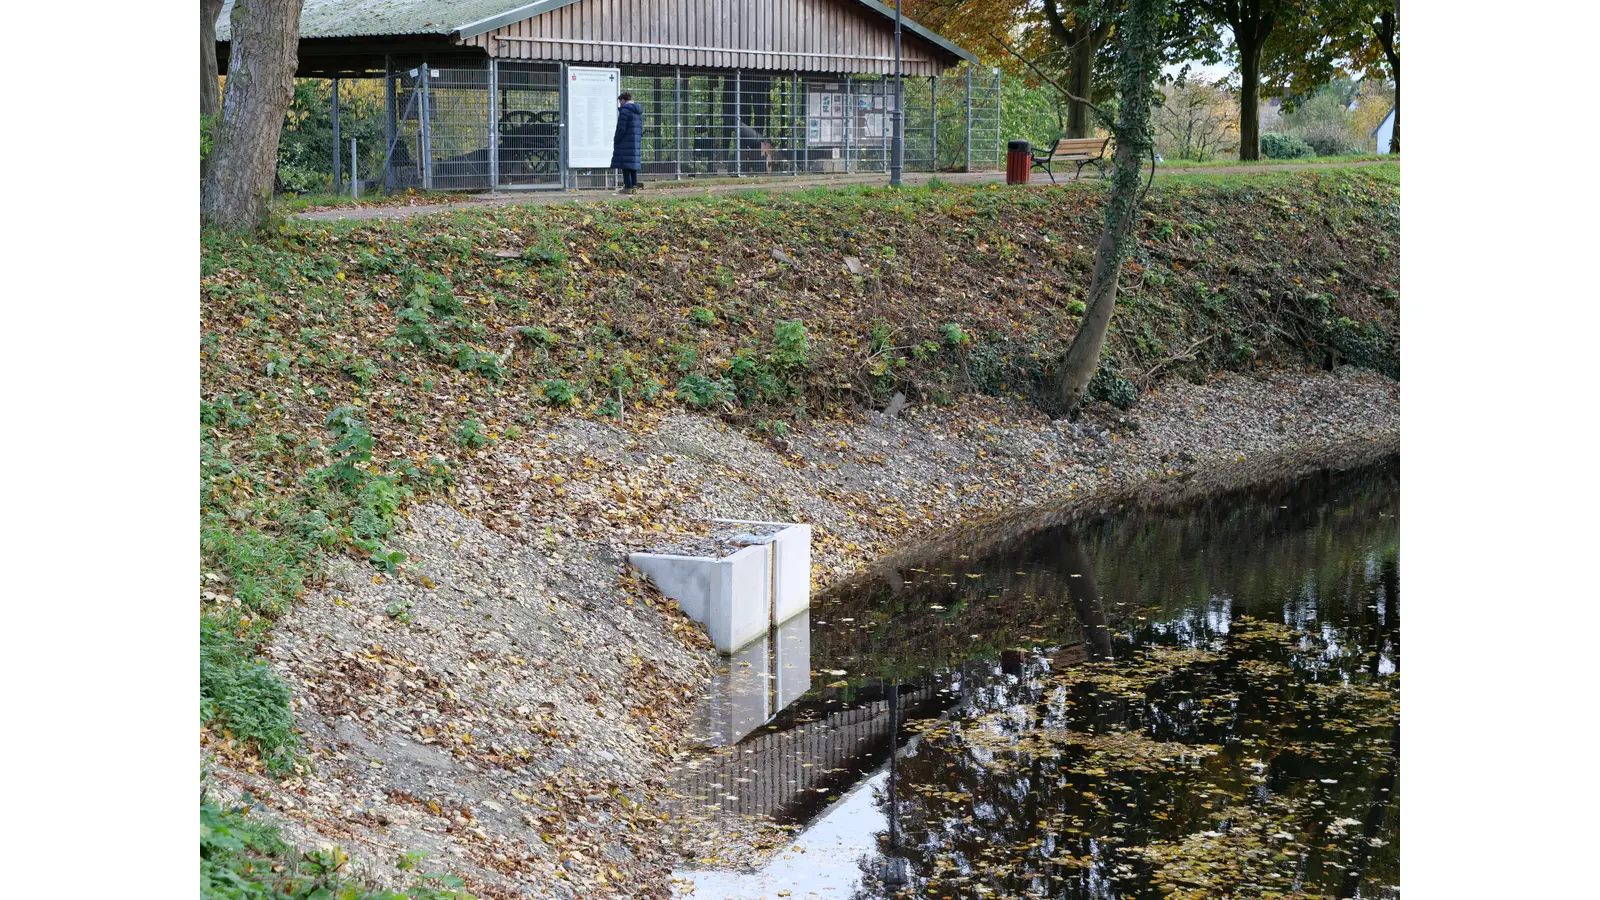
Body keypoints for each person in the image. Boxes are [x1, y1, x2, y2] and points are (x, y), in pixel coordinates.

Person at [611, 92, 643, 194]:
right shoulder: (638, 111)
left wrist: (616, 139)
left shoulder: (625, 111)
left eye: (620, 101)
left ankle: (627, 187)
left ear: (623, 100)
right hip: (635, 141)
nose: (620, 104)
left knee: (625, 165)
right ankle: (634, 187)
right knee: (633, 165)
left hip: (625, 141)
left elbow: (621, 128)